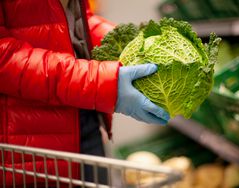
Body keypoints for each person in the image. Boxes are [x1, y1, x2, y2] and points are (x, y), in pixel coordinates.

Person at [0, 0, 170, 186]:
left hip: (84, 116)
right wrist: (99, 83)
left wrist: (131, 44)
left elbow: (73, 21)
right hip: (27, 139)